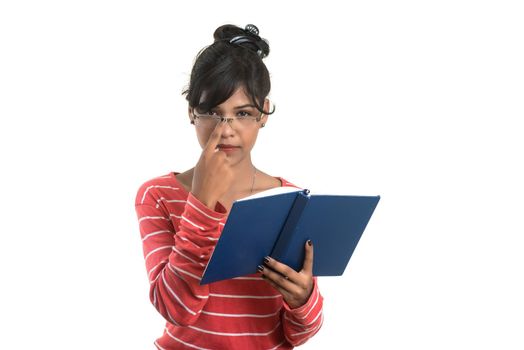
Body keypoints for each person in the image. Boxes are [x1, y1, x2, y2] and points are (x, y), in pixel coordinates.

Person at [134, 24, 323, 349]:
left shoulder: (289, 200)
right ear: (192, 111)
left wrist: (303, 299)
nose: (226, 130)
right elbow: (176, 309)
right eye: (212, 112)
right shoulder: (158, 196)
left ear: (264, 112)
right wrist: (203, 202)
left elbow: (298, 334)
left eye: (243, 113)